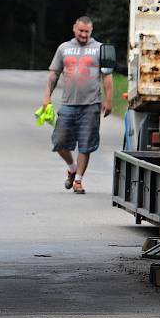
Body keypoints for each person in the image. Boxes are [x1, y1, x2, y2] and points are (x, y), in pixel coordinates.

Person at [42, 16, 113, 195]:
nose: (83, 34)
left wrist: (109, 100)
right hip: (68, 104)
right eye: (81, 31)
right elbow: (53, 74)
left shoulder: (100, 49)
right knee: (59, 141)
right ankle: (72, 168)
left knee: (86, 144)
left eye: (87, 32)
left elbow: (107, 76)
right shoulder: (64, 48)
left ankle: (78, 181)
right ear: (74, 28)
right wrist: (46, 97)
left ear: (91, 31)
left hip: (91, 104)